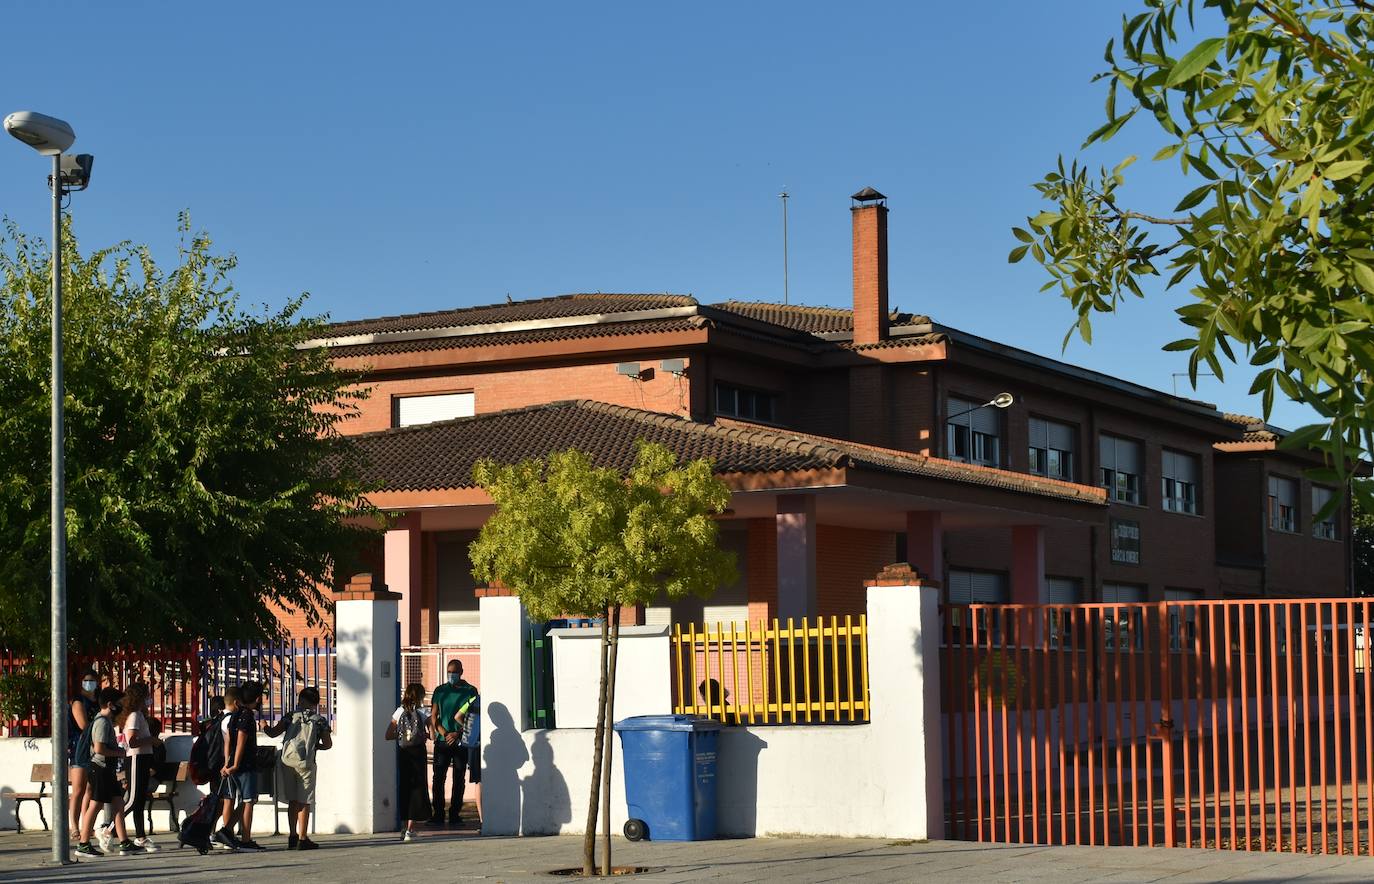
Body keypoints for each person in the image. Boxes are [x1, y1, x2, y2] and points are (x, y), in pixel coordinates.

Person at [265, 686, 332, 850]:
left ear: (301, 700)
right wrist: (314, 747)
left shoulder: (290, 717)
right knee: (305, 800)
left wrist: (264, 725)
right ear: (316, 703)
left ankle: (292, 835)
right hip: (306, 764)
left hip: (288, 762)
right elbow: (328, 744)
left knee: (293, 800)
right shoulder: (320, 720)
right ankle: (303, 838)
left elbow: (273, 733)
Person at [76, 688, 137, 859]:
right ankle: (83, 843)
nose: (122, 707)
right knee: (95, 805)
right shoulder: (102, 722)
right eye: (119, 703)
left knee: (118, 803)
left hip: (106, 769)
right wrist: (119, 753)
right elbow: (99, 749)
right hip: (100, 768)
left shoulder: (105, 721)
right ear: (110, 704)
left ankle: (124, 842)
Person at [214, 684, 264, 851]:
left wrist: (227, 762)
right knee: (249, 801)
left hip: (234, 764)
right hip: (245, 764)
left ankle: (226, 830)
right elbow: (241, 740)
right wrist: (235, 764)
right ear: (257, 698)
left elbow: (228, 740)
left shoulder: (234, 715)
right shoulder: (247, 715)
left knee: (246, 801)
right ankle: (246, 839)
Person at [430, 659, 478, 827]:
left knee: (459, 778)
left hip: (461, 741)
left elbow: (472, 716)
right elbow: (434, 716)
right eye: (449, 672)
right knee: (438, 778)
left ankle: (455, 814)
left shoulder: (470, 691)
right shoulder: (440, 690)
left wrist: (458, 733)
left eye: (454, 672)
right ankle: (438, 813)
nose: (452, 675)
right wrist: (445, 733)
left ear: (461, 672)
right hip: (442, 741)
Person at [115, 682, 159, 852]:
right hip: (136, 758)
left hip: (143, 757)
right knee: (133, 799)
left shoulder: (139, 715)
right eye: (147, 695)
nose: (149, 698)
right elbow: (132, 741)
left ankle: (140, 837)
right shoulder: (133, 715)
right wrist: (151, 740)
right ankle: (108, 828)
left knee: (140, 800)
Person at [386, 682, 433, 841]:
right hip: (418, 753)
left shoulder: (399, 711)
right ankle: (410, 830)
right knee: (418, 789)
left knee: (405, 787)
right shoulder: (424, 712)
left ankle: (403, 827)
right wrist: (423, 735)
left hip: (404, 753)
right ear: (421, 696)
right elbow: (433, 735)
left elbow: (388, 735)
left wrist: (403, 735)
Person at [67, 668, 100, 837]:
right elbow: (83, 725)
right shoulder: (78, 701)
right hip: (80, 747)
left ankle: (86, 825)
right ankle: (74, 826)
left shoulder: (98, 701)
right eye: (86, 680)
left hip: (97, 747)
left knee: (90, 789)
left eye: (92, 680)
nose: (89, 684)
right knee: (78, 789)